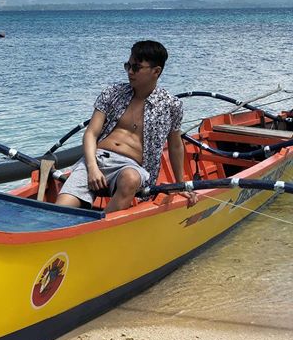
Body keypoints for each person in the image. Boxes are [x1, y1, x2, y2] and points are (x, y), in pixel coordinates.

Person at [56, 40, 198, 212]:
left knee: (130, 179)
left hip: (132, 168)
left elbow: (175, 146)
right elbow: (91, 133)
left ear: (156, 71)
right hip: (96, 159)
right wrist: (92, 167)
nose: (130, 72)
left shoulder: (171, 105)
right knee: (61, 209)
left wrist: (181, 185)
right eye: (128, 66)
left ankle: (103, 223)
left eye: (136, 68)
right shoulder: (113, 93)